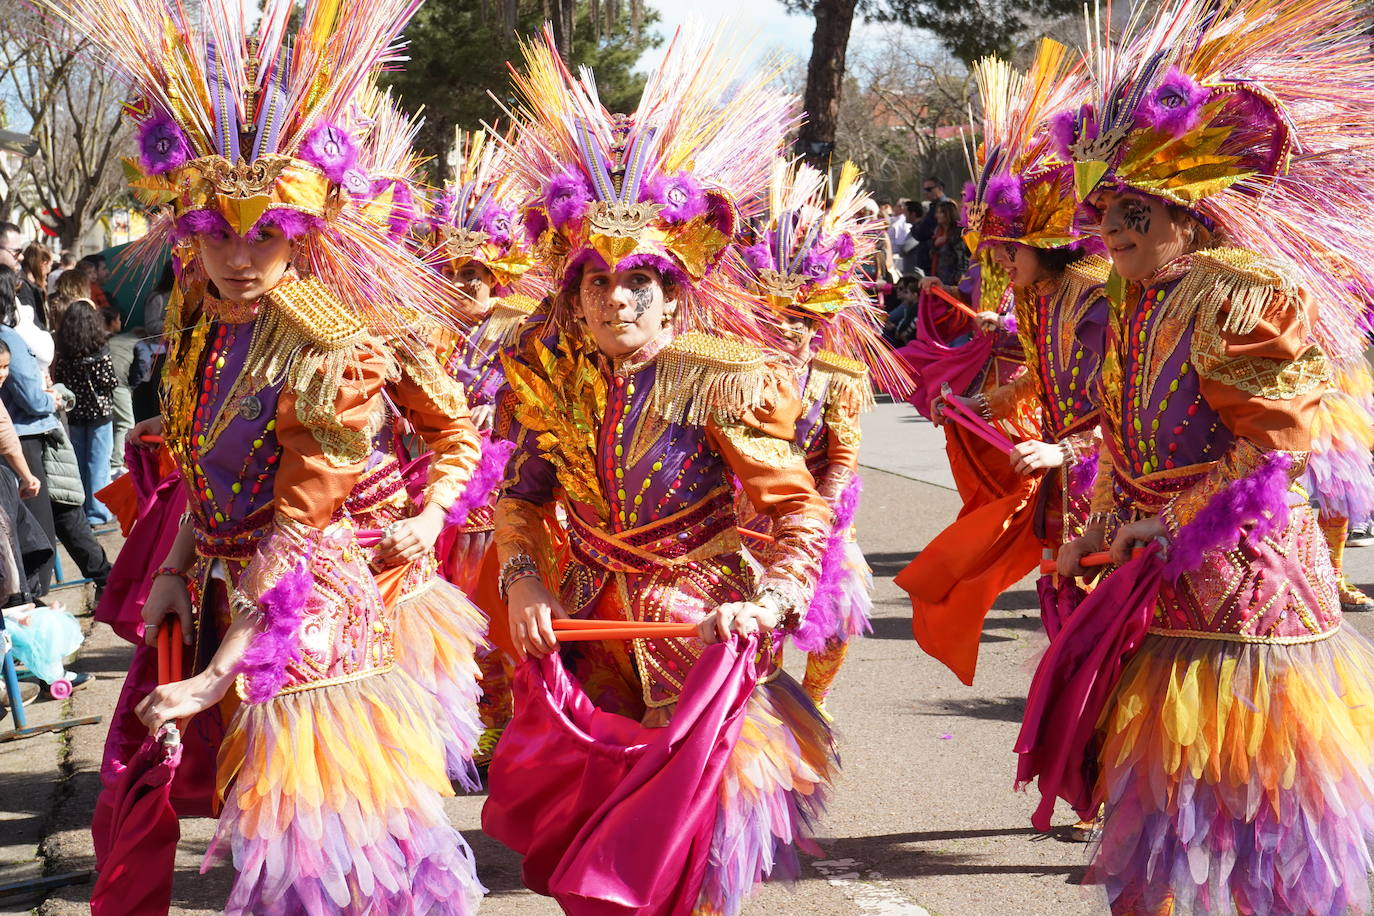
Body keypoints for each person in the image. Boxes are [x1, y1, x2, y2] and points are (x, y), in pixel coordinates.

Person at [42, 0, 490, 910]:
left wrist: (429, 512)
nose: (239, 258)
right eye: (216, 234)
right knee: (263, 837)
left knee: (328, 857)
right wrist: (174, 566)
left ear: (302, 234)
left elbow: (303, 529)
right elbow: (206, 482)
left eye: (266, 236)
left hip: (314, 621)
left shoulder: (335, 345)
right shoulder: (202, 326)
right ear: (188, 235)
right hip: (233, 590)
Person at [486, 29, 837, 915]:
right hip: (591, 636)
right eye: (596, 281)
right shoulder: (554, 373)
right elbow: (520, 500)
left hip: (700, 632)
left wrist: (772, 599)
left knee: (690, 861)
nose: (616, 298)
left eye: (639, 279)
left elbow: (798, 510)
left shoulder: (720, 376)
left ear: (675, 291)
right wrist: (525, 585)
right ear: (571, 292)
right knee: (601, 860)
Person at [1039, 3, 1374, 912]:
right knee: (1153, 815)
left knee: (1262, 813)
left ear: (1186, 213)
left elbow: (1273, 454)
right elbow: (1118, 439)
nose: (1110, 231)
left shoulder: (1241, 293)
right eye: (1103, 213)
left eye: (1132, 213)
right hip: (1162, 590)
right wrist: (1101, 527)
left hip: (1251, 591)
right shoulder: (1130, 301)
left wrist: (1169, 520)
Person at [906, 39, 1104, 689]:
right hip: (1066, 487)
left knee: (1097, 641)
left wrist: (1069, 453)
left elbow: (1129, 400)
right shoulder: (1041, 298)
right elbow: (1039, 382)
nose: (996, 266)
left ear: (1044, 243)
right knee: (1063, 613)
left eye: (1006, 249)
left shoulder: (1101, 296)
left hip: (1109, 488)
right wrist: (978, 407)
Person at [738, 159, 910, 713]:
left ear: (819, 322)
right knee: (755, 616)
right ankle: (760, 700)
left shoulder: (840, 376)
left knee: (834, 615)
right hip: (750, 512)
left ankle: (813, 700)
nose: (787, 326)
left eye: (801, 316)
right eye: (777, 314)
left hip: (818, 510)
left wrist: (823, 512)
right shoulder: (739, 371)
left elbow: (843, 456)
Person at [426, 128, 543, 765]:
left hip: (498, 496)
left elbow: (535, 404)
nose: (466, 284)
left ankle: (501, 720)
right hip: (438, 495)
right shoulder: (424, 328)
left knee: (497, 618)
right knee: (448, 621)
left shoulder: (522, 329)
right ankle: (460, 722)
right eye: (454, 271)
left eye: (478, 272)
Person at [0, 267, 108, 595]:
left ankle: (107, 581)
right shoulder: (8, 337)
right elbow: (30, 401)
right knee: (40, 528)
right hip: (29, 440)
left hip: (27, 440)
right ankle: (35, 601)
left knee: (62, 516)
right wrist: (52, 397)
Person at [51, 301, 118, 525]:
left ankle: (80, 512)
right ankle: (98, 513)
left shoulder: (65, 354)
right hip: (101, 415)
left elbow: (60, 380)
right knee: (98, 463)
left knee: (79, 464)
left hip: (76, 414)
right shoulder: (102, 352)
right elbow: (111, 382)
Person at [101, 305, 135, 476]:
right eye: (119, 319)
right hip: (118, 385)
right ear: (113, 322)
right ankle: (117, 462)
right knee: (125, 423)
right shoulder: (122, 342)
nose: (120, 322)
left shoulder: (103, 340)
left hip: (104, 386)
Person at [910, 176, 950, 274]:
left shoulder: (944, 206)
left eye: (929, 189)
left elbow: (922, 232)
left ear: (940, 188)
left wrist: (916, 226)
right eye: (925, 190)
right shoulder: (934, 206)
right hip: (932, 259)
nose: (926, 193)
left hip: (940, 260)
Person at [927, 198, 970, 287]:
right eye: (937, 212)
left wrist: (960, 276)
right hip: (940, 275)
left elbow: (962, 256)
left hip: (952, 279)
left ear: (948, 214)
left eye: (941, 212)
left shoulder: (957, 233)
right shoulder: (937, 232)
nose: (937, 215)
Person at [18, 244, 53, 328]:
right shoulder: (24, 289)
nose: (50, 269)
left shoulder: (25, 284)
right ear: (43, 264)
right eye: (50, 264)